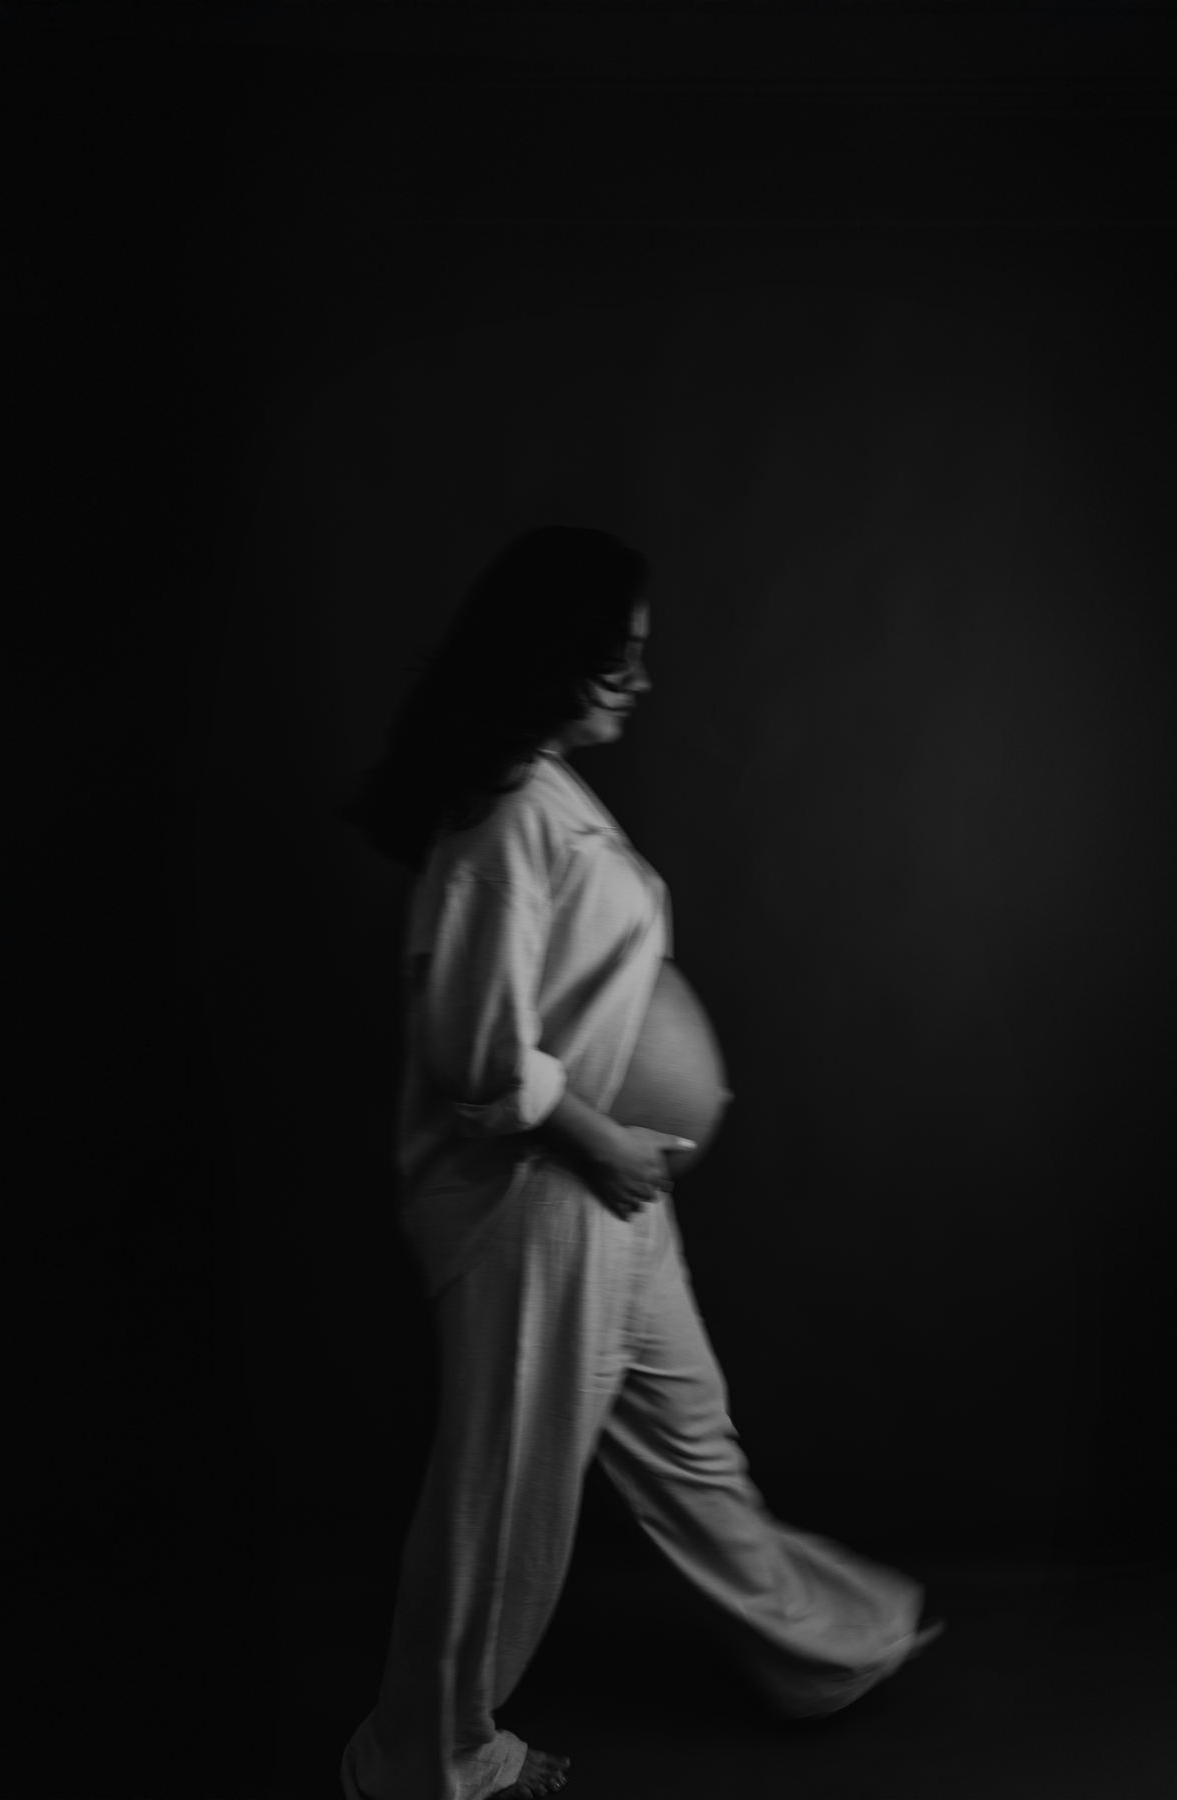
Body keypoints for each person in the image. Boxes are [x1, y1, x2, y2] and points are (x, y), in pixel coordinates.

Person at [339, 527, 940, 1800]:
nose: (642, 681)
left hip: (602, 1197)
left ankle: (822, 1653)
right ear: (548, 655)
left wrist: (626, 1146)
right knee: (502, 1495)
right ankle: (426, 1762)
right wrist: (606, 1139)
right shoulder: (506, 813)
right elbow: (471, 1057)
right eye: (618, 657)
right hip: (532, 1202)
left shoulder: (545, 787)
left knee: (692, 1440)